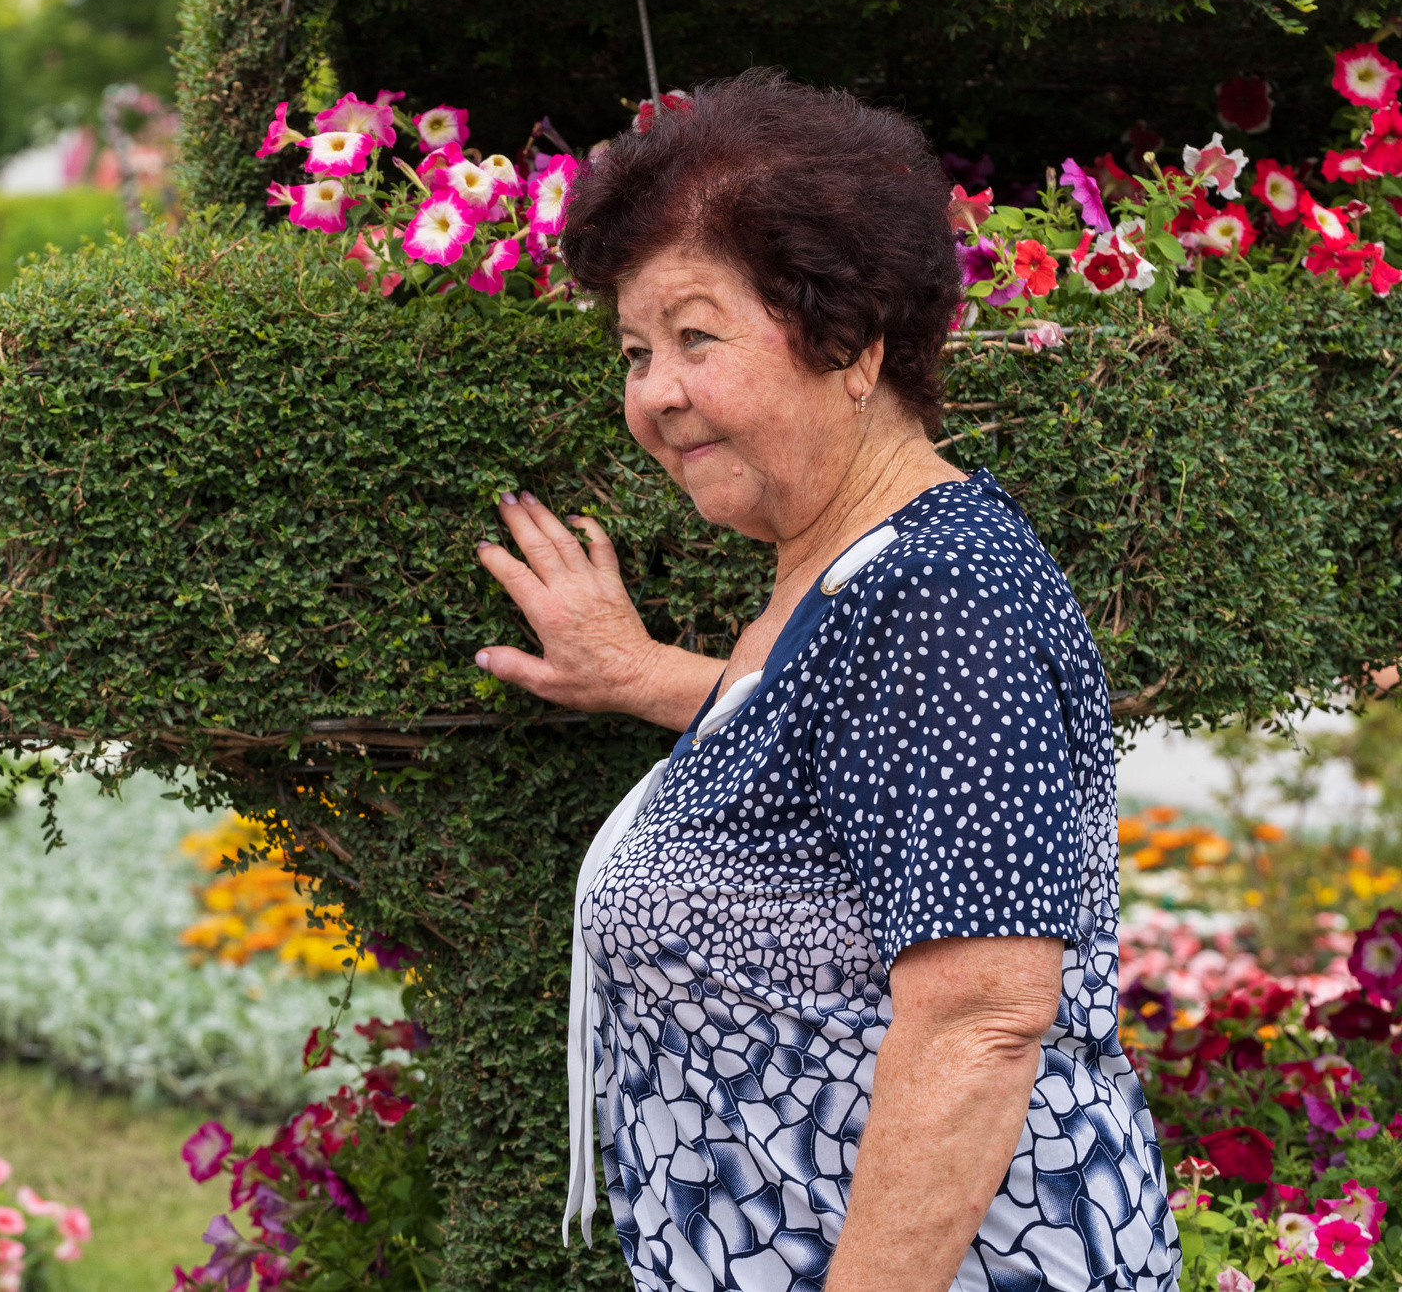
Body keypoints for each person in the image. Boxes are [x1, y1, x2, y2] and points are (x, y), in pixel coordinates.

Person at [474, 70, 1176, 1292]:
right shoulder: (848, 578)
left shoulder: (940, 592)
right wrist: (643, 676)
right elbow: (833, 757)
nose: (654, 393)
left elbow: (980, 1019)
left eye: (697, 336)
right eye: (636, 351)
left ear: (849, 344)